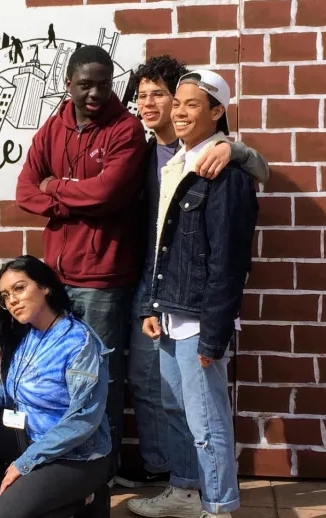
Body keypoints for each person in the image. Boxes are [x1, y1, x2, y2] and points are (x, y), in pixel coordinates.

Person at [114, 56, 269, 489]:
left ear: (215, 111)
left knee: (205, 417)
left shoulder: (222, 168)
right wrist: (151, 303)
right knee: (171, 404)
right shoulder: (161, 160)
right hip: (164, 301)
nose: (176, 111)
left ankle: (216, 503)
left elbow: (228, 261)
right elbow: (159, 240)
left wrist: (214, 334)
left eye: (189, 104)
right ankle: (181, 487)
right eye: (174, 102)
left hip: (197, 311)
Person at [15, 44, 146, 481]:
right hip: (56, 276)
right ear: (67, 83)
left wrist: (58, 189)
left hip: (103, 278)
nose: (95, 93)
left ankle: (102, 469)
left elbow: (109, 193)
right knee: (57, 373)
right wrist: (75, 195)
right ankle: (59, 461)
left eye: (104, 84)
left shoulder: (126, 130)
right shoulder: (53, 128)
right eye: (85, 84)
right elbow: (25, 190)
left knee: (100, 377)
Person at [0, 255, 113, 518]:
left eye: (19, 288)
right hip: (30, 438)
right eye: (4, 296)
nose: (11, 300)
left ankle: (83, 498)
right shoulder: (29, 332)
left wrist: (24, 463)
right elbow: (15, 388)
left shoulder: (79, 343)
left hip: (74, 456)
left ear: (45, 287)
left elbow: (82, 420)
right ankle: (19, 495)